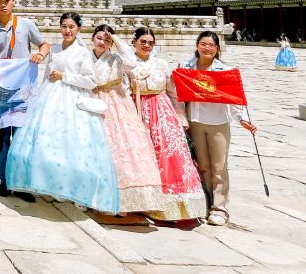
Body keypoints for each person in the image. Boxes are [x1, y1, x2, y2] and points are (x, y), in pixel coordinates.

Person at [5, 12, 120, 213]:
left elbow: (90, 81)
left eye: (71, 27)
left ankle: (73, 188)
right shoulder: (55, 49)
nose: (67, 30)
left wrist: (64, 76)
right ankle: (49, 183)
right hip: (50, 97)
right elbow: (48, 74)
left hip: (72, 100)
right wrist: (38, 93)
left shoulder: (83, 52)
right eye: (64, 26)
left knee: (72, 143)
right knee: (47, 142)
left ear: (78, 29)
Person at [0, 0, 51, 201]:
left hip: (23, 89)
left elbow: (44, 44)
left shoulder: (26, 24)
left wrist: (40, 55)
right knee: (2, 137)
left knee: (21, 136)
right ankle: (4, 180)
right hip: (0, 89)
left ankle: (21, 182)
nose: (3, 5)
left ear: (13, 1)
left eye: (6, 1)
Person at [130, 26, 207, 222]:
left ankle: (174, 205)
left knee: (169, 155)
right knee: (144, 157)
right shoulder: (127, 63)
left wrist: (180, 117)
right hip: (137, 111)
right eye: (143, 41)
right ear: (134, 42)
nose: (146, 45)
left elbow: (173, 93)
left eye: (150, 43)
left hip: (162, 112)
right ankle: (146, 202)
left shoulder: (161, 64)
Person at [180, 31, 257, 226]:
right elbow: (179, 95)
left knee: (219, 166)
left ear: (217, 49)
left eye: (211, 45)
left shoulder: (225, 70)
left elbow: (235, 98)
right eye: (203, 44)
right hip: (195, 121)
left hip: (218, 122)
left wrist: (243, 119)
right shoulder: (186, 67)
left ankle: (220, 208)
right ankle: (206, 204)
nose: (207, 48)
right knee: (202, 166)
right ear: (197, 46)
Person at [90, 25, 165, 214]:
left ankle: (126, 198)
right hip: (91, 99)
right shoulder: (85, 56)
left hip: (115, 102)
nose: (102, 42)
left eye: (107, 40)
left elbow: (131, 63)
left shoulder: (117, 58)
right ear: (92, 38)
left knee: (121, 146)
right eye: (99, 38)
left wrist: (116, 39)